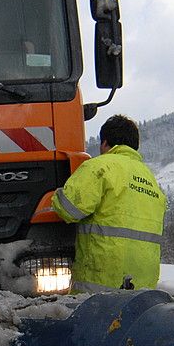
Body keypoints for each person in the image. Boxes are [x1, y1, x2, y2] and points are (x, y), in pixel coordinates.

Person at [51, 114, 167, 292]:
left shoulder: (99, 166)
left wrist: (56, 194)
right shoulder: (149, 177)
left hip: (102, 283)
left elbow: (70, 209)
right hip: (143, 283)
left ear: (105, 143)